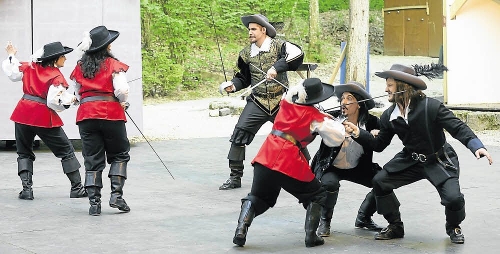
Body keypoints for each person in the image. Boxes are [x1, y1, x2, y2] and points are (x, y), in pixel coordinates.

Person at [343, 63, 494, 244]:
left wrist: (476, 145)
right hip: (410, 160)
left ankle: (453, 226)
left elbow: (458, 127)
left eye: (390, 85)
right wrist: (358, 133)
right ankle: (395, 226)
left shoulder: (432, 107)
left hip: (439, 159)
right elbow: (379, 144)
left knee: (453, 199)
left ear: (403, 87)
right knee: (380, 181)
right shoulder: (388, 116)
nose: (385, 89)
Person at [232, 78, 347, 248]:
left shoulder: (285, 103)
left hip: (266, 154)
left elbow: (300, 111)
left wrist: (322, 116)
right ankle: (311, 236)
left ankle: (241, 229)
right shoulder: (316, 117)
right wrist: (333, 121)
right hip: (288, 160)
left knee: (258, 197)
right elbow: (337, 138)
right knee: (317, 195)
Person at [218, 14, 304, 190]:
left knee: (294, 137)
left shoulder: (280, 45)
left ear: (263, 30)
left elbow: (297, 53)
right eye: (249, 29)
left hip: (281, 100)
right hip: (258, 101)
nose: (250, 32)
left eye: (253, 29)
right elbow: (243, 78)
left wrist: (276, 68)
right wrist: (232, 86)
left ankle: (303, 174)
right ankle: (235, 177)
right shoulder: (245, 54)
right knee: (239, 135)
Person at [2, 41, 87, 200]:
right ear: (55, 59)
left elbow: (12, 72)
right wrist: (72, 100)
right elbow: (54, 101)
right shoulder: (56, 76)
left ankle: (27, 190)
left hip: (22, 113)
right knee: (66, 151)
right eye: (63, 56)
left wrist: (11, 54)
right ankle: (77, 188)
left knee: (24, 152)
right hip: (41, 116)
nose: (65, 59)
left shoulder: (30, 67)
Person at [70, 26, 131, 216]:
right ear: (107, 46)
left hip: (87, 115)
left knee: (92, 160)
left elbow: (76, 93)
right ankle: (116, 196)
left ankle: (94, 203)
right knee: (120, 154)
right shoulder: (114, 65)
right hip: (111, 114)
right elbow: (122, 91)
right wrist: (122, 103)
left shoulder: (80, 66)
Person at [310, 81, 383, 237]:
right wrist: (317, 120)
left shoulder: (371, 122)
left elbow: (385, 136)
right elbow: (310, 131)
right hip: (331, 166)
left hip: (358, 167)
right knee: (329, 183)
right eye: (342, 98)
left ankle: (364, 217)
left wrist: (379, 133)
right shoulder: (332, 118)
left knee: (384, 181)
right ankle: (325, 221)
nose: (343, 102)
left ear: (360, 104)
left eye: (349, 98)